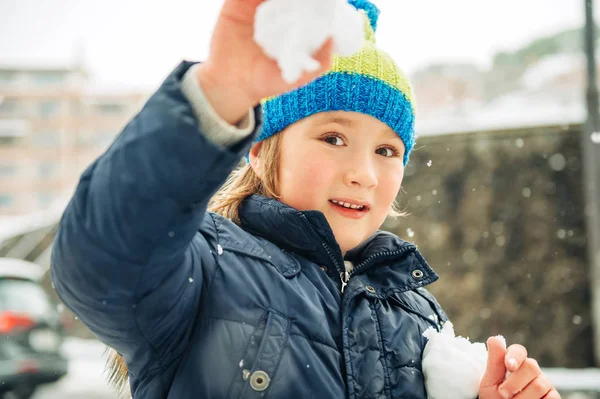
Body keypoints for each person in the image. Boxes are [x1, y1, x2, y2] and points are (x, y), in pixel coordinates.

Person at [50, 0, 561, 398]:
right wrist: (218, 94)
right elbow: (102, 258)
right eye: (333, 138)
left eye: (387, 150)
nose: (363, 173)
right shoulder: (204, 269)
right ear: (260, 150)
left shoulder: (418, 313)